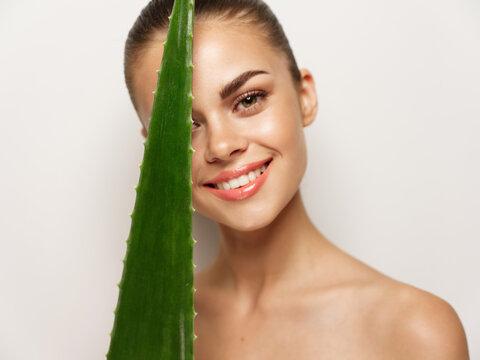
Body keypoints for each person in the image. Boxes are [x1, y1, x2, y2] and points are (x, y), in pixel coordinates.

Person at [124, 0, 469, 358]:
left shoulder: (414, 332)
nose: (222, 146)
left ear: (305, 98)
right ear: (154, 152)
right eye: (184, 126)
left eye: (248, 100)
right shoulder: (151, 329)